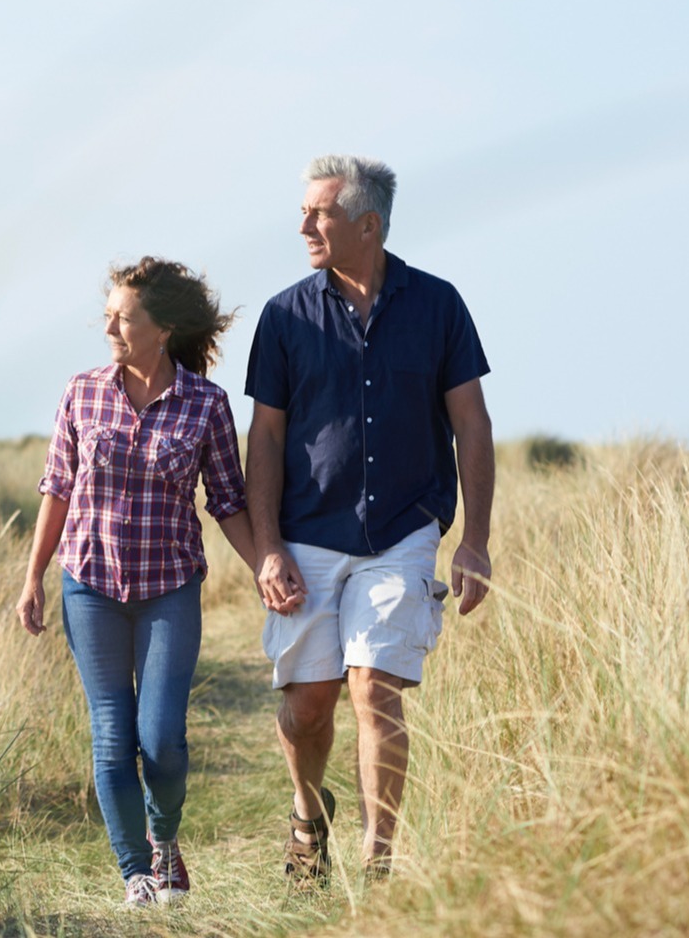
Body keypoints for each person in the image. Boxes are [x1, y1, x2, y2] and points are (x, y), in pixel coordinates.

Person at [244, 155, 495, 887]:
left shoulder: (438, 306)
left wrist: (473, 542)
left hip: (405, 530)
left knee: (372, 688)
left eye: (318, 213)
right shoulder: (285, 314)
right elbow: (264, 437)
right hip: (306, 533)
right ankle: (306, 811)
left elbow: (471, 426)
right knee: (308, 705)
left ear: (367, 223)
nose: (303, 225)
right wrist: (266, 548)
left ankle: (376, 862)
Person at [16, 256, 255, 908]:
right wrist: (33, 577)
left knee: (162, 741)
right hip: (90, 585)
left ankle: (165, 836)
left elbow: (228, 501)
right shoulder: (82, 391)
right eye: (109, 315)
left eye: (123, 317)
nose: (110, 327)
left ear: (164, 327)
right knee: (114, 737)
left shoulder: (206, 406)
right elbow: (56, 490)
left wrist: (265, 564)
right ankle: (135, 873)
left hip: (169, 587)